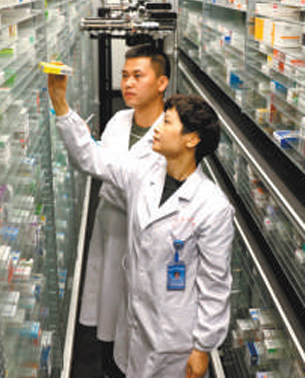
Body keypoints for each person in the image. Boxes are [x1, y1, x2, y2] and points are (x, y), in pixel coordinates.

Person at [48, 71, 234, 378]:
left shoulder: (212, 207)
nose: (156, 129)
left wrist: (202, 347)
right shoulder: (142, 173)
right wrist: (60, 104)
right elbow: (91, 158)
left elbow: (215, 285)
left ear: (192, 139)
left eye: (167, 123)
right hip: (134, 324)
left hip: (175, 338)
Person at [78, 44, 170, 378]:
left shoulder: (172, 130)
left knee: (140, 320)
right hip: (112, 225)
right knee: (109, 308)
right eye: (124, 75)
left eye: (138, 76)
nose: (128, 83)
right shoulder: (118, 121)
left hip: (145, 236)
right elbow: (99, 163)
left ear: (161, 83)